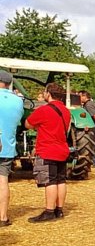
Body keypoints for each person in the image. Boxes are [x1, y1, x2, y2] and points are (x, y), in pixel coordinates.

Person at [25, 83, 71, 222]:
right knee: (60, 180)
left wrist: (38, 127)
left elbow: (28, 123)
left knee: (50, 181)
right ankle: (59, 209)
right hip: (62, 149)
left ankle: (49, 211)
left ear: (48, 93)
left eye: (45, 92)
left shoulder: (44, 110)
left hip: (47, 150)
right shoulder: (66, 110)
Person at [0, 70, 25, 227]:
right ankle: (2, 217)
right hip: (6, 147)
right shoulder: (18, 101)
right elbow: (18, 121)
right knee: (3, 181)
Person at [77, 90, 95, 166]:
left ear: (84, 96)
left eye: (79, 96)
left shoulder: (88, 105)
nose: (78, 98)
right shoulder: (93, 103)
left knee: (94, 145)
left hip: (93, 126)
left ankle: (94, 162)